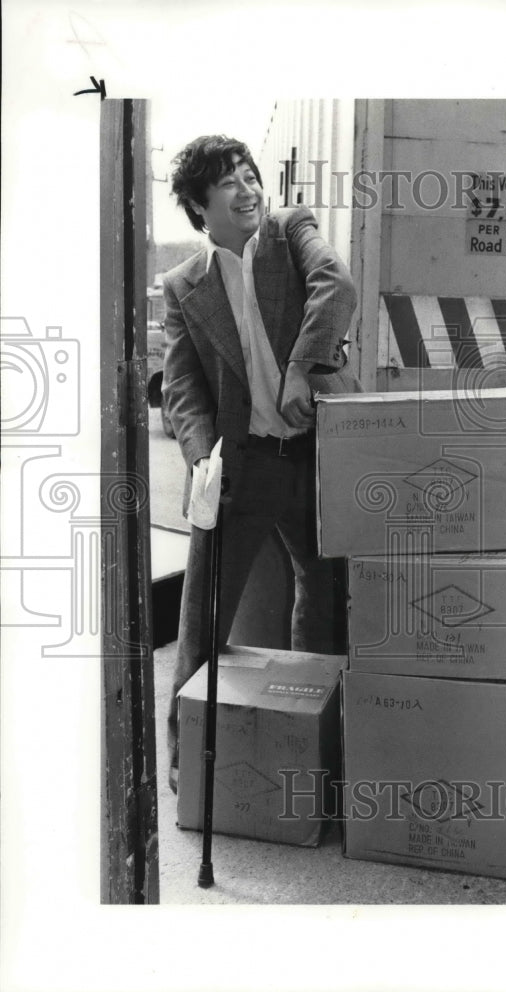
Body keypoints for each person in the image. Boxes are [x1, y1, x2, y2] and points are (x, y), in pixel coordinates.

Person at [162, 134, 360, 793]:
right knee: (202, 616)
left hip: (314, 457)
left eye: (250, 175)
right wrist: (201, 461)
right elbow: (183, 387)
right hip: (240, 469)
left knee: (327, 600)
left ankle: (319, 743)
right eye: (229, 182)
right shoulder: (183, 285)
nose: (248, 188)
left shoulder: (291, 230)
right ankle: (187, 757)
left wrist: (303, 370)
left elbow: (336, 287)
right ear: (199, 204)